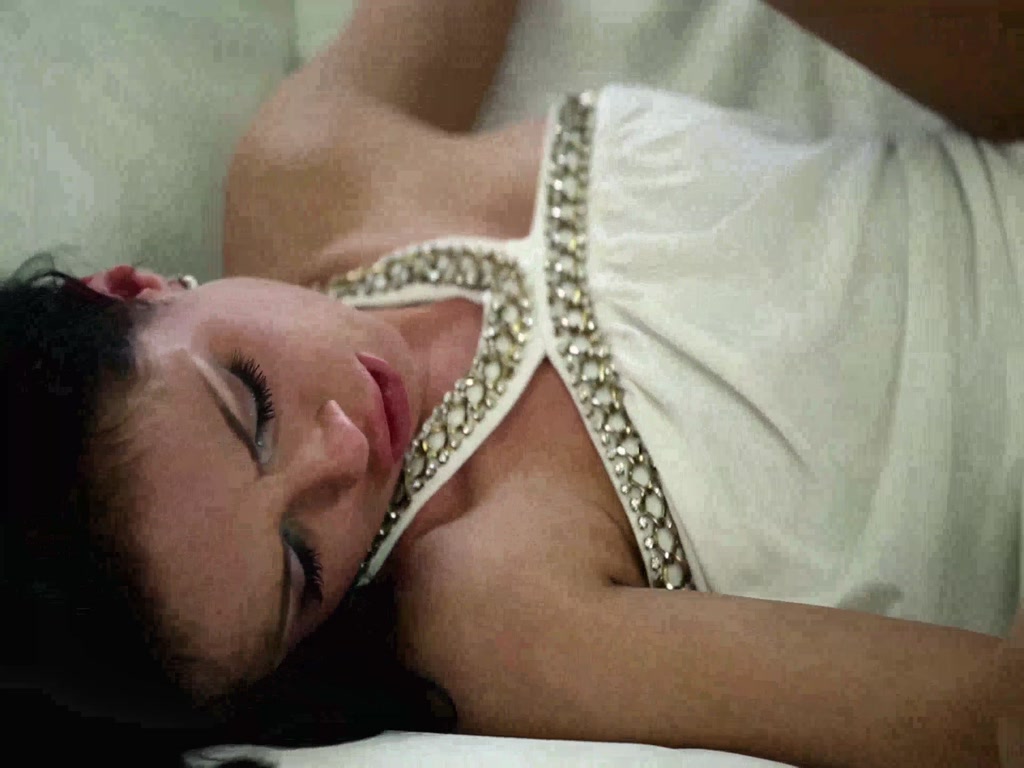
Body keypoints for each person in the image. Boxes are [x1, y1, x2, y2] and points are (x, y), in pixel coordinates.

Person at [3, 2, 1023, 767]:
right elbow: (987, 721)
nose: (344, 453)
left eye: (251, 406)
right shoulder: (485, 613)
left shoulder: (305, 179)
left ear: (132, 288)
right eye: (299, 565)